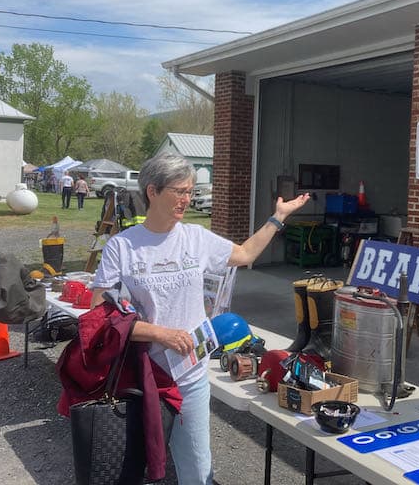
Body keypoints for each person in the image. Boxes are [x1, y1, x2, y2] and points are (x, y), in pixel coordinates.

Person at [90, 153, 309, 485]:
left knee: (196, 466)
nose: (187, 199)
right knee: (131, 464)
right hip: (141, 376)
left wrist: (277, 218)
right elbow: (98, 313)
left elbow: (246, 254)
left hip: (190, 374)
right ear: (153, 191)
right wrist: (157, 333)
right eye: (179, 191)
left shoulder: (196, 238)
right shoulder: (123, 246)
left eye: (190, 191)